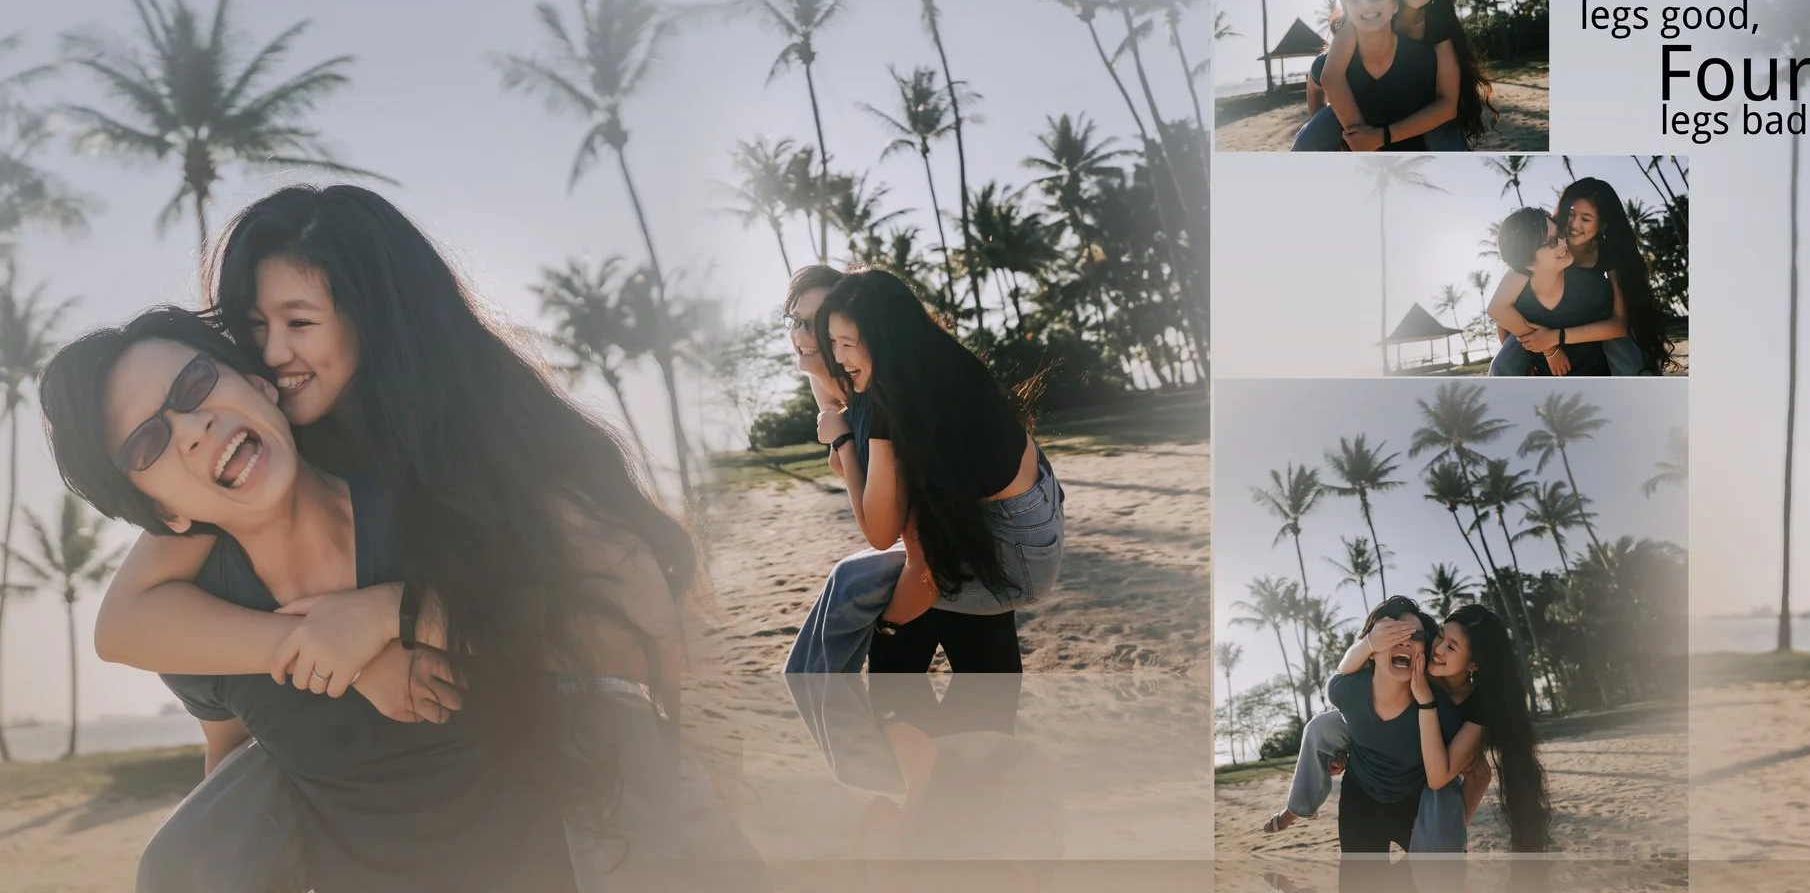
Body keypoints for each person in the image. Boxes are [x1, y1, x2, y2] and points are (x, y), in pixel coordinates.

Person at [77, 185, 720, 890]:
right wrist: (323, 652)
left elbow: (631, 622)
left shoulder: (467, 457)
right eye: (252, 326)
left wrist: (395, 615)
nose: (271, 353)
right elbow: (129, 626)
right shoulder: (229, 493)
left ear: (376, 320)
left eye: (300, 321)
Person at [44, 309, 575, 892]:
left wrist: (390, 614)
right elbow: (232, 770)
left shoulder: (424, 499)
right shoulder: (200, 631)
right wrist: (325, 653)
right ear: (165, 513)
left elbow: (580, 631)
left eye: (194, 385)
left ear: (258, 382)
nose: (192, 427)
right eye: (149, 442)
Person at [804, 269, 1065, 673]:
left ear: (881, 338)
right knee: (860, 580)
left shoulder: (899, 414)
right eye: (832, 342)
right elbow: (832, 391)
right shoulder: (930, 365)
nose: (837, 357)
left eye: (846, 343)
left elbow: (887, 539)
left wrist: (888, 628)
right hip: (1039, 512)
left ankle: (852, 714)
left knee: (856, 593)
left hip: (1020, 559)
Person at [1264, 602, 1551, 854]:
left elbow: (1467, 775)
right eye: (1439, 635)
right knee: (1322, 725)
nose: (1437, 649)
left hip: (1434, 768)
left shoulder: (1476, 708)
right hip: (1384, 745)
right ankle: (1297, 808)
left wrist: (1444, 834)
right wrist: (1369, 644)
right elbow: (1348, 677)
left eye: (1451, 647)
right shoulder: (1422, 661)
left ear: (1474, 664)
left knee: (1453, 789)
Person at [1294, 0, 1488, 152]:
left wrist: (1381, 137)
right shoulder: (1372, 7)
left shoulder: (1437, 26)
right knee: (1311, 136)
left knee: (1444, 141)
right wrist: (1359, 136)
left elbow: (1447, 102)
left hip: (1415, 94)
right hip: (1363, 82)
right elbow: (1329, 76)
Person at [1488, 179, 1672, 377]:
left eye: (1586, 218)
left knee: (1614, 333)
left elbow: (1619, 322)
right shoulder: (1545, 238)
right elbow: (1503, 308)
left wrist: (1556, 338)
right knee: (1521, 330)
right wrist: (1543, 353)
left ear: (1603, 224)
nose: (1574, 224)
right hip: (1540, 319)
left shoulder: (1607, 254)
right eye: (1571, 213)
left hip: (1591, 314)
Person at [1485, 207, 1615, 377]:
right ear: (1528, 263)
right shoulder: (1518, 299)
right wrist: (1546, 352)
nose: (1563, 242)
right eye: (1552, 242)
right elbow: (1498, 316)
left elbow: (1619, 327)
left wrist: (1554, 340)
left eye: (1560, 233)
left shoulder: (1591, 286)